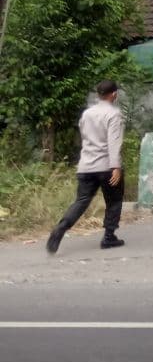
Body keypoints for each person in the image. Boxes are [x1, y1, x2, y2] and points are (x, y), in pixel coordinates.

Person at [46, 79, 126, 254]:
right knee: (114, 200)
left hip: (86, 166)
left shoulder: (87, 113)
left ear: (98, 95)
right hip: (106, 166)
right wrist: (116, 167)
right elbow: (114, 142)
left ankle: (61, 227)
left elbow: (85, 137)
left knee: (81, 201)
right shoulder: (114, 114)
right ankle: (109, 237)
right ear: (114, 94)